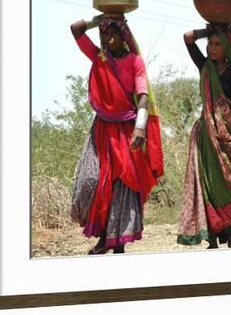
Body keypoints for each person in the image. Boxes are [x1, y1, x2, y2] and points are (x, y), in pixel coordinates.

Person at [69, 15, 164, 254]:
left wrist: (141, 127)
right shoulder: (99, 58)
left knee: (122, 184)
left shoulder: (135, 61)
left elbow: (142, 95)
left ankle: (114, 241)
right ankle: (104, 236)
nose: (108, 39)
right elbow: (76, 29)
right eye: (104, 34)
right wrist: (101, 18)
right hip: (101, 129)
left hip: (126, 130)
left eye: (113, 33)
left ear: (124, 35)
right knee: (93, 180)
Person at [177, 24, 231, 249]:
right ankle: (212, 235)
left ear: (226, 48)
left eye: (217, 45)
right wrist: (210, 29)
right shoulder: (204, 66)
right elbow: (187, 37)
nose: (212, 49)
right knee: (209, 183)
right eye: (210, 44)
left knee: (230, 183)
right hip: (207, 134)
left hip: (230, 133)